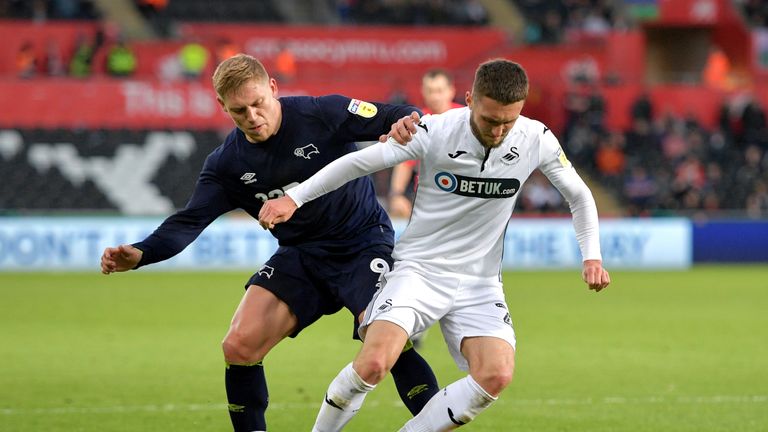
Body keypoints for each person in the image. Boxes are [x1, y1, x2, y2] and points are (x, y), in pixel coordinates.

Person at [259, 58, 611, 431]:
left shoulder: (535, 138)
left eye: (508, 121)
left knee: (496, 374)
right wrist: (294, 199)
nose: (499, 131)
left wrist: (592, 256)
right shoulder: (433, 130)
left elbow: (579, 195)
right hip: (419, 271)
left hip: (479, 281)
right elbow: (356, 163)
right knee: (374, 364)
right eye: (490, 120)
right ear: (470, 98)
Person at [99, 54, 438, 432]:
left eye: (258, 103)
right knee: (239, 346)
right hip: (301, 256)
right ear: (222, 107)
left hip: (362, 244)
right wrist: (142, 252)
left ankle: (437, 425)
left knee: (385, 343)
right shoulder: (227, 165)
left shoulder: (321, 112)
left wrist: (406, 121)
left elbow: (395, 112)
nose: (252, 117)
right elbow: (189, 221)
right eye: (239, 111)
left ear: (273, 88)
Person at [388, 68, 463, 218]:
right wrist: (396, 195)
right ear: (423, 91)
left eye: (439, 90)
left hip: (463, 196)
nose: (435, 96)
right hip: (426, 199)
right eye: (430, 91)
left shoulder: (467, 119)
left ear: (451, 91)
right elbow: (405, 162)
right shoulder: (415, 123)